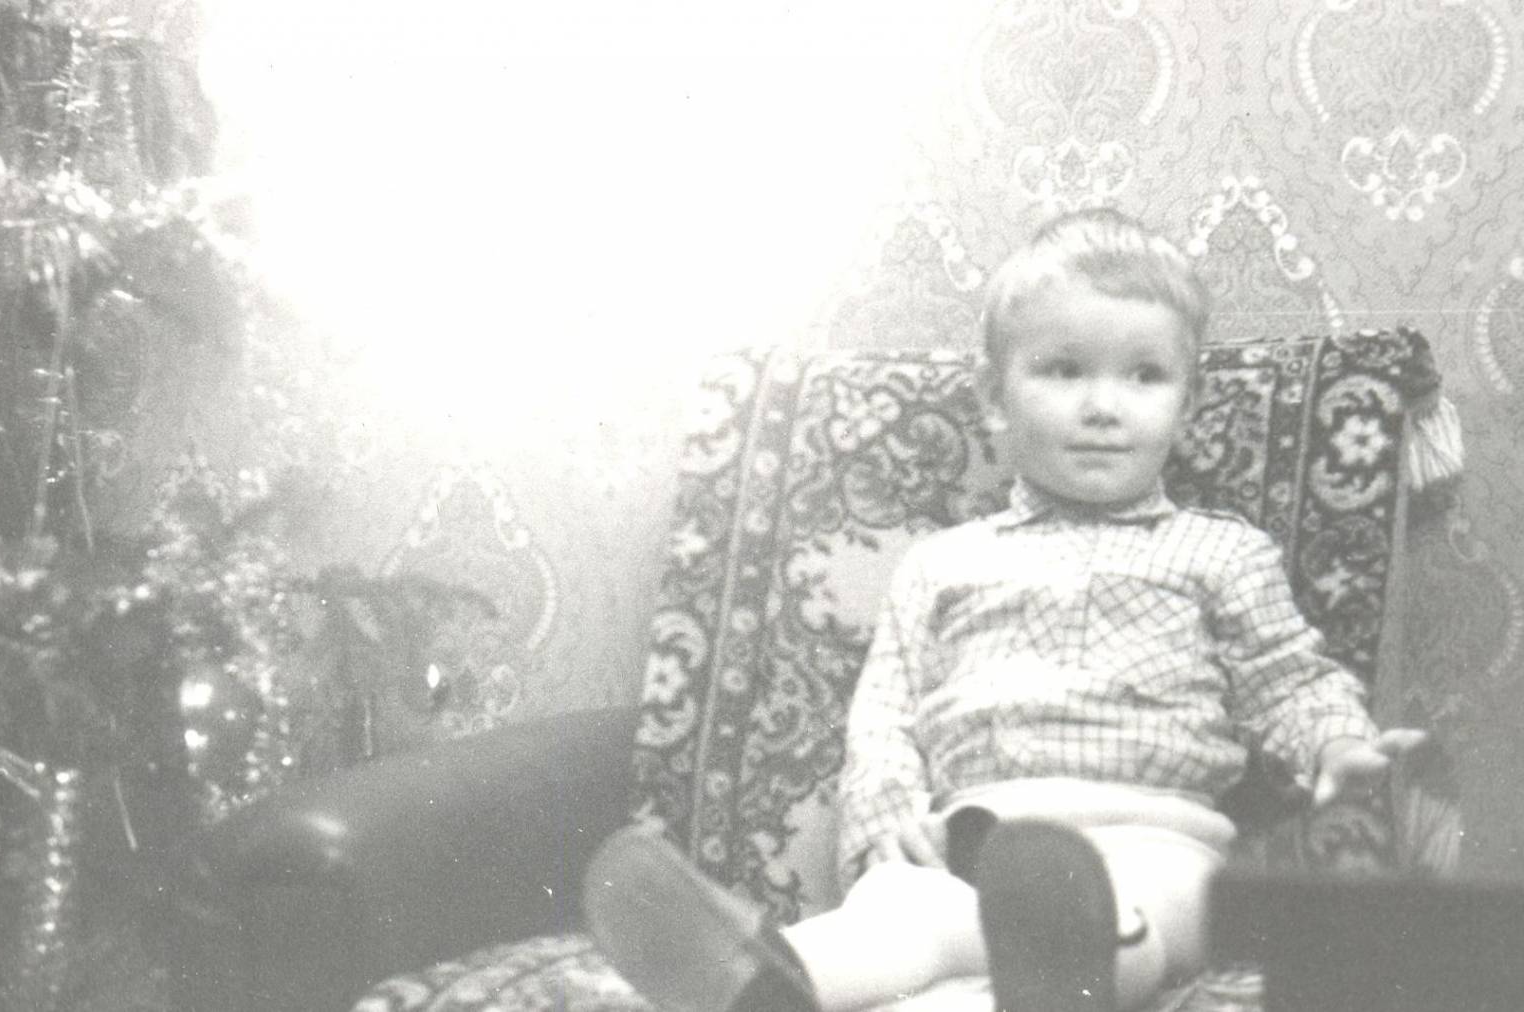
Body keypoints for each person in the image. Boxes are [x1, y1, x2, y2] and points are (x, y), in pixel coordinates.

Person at [582, 208, 1428, 1012]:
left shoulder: (1223, 552)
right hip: (973, 843)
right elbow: (884, 718)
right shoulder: (943, 563)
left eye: (1144, 375)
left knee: (1163, 903)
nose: (1103, 406)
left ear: (1189, 403)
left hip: (1159, 837)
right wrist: (888, 825)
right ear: (995, 397)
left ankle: (1074, 963)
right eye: (1064, 370)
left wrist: (1338, 746)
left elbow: (1288, 679)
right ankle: (766, 980)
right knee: (899, 913)